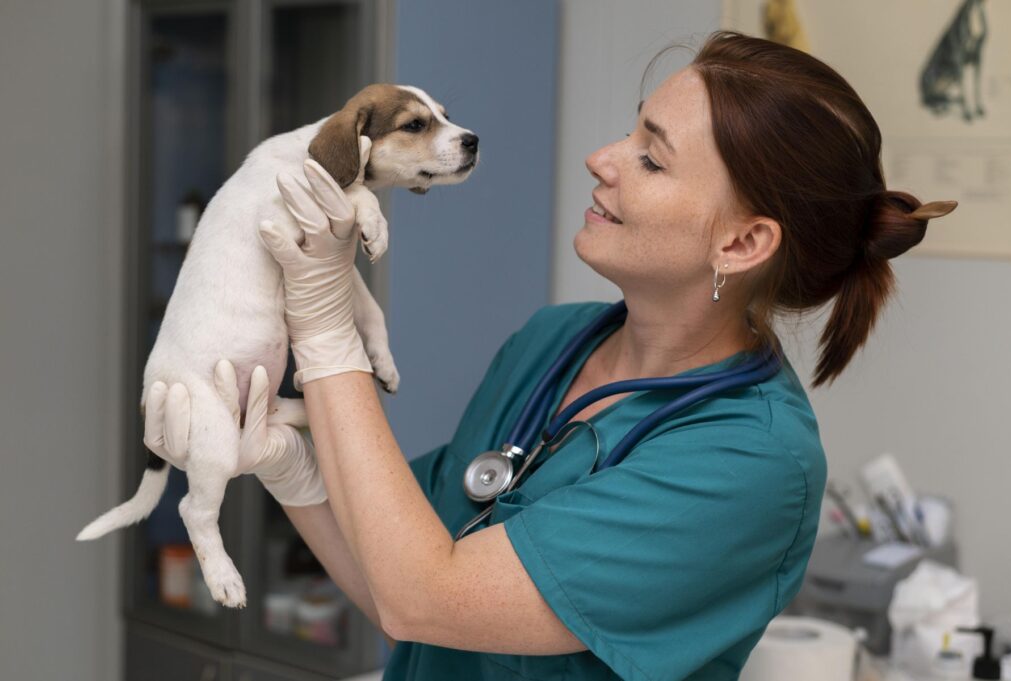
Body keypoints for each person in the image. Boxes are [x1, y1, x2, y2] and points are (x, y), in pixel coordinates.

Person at [145, 30, 957, 680]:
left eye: (650, 156)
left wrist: (326, 329)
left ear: (743, 241)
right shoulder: (551, 343)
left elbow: (426, 598)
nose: (602, 158)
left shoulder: (750, 461)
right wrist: (292, 467)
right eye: (630, 130)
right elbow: (386, 573)